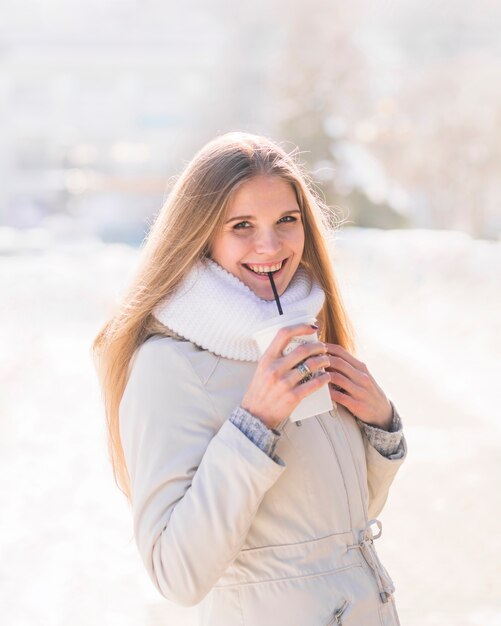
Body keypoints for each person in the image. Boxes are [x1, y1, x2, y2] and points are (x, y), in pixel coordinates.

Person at [92, 131, 407, 626]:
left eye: (287, 220)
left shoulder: (305, 327)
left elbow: (332, 525)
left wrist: (380, 427)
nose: (270, 245)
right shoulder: (168, 366)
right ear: (200, 235)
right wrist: (254, 426)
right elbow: (176, 574)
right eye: (241, 225)